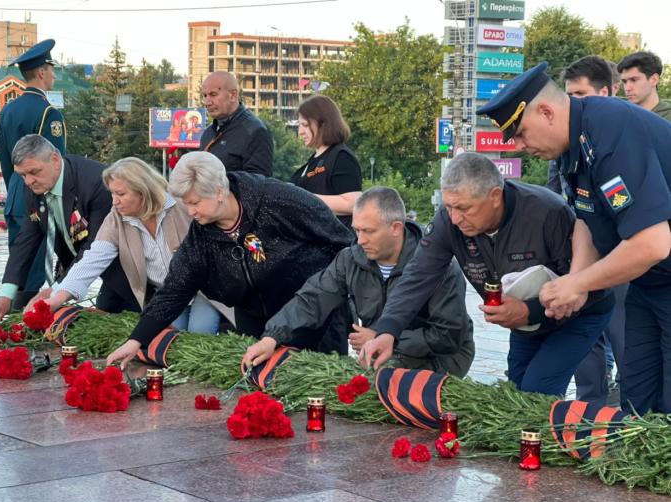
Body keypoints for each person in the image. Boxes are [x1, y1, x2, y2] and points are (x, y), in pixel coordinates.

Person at [476, 62, 671, 414]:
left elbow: (652, 242)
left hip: (660, 268)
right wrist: (574, 282)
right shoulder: (574, 144)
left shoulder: (612, 130)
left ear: (547, 111)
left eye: (520, 133)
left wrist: (579, 281)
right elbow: (587, 220)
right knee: (637, 400)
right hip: (651, 283)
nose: (519, 146)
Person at [360, 153, 614, 397]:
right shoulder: (449, 221)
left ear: (494, 196)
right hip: (523, 319)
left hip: (579, 313)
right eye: (448, 207)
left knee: (538, 390)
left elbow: (584, 285)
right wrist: (387, 331)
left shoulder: (547, 212)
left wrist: (529, 310)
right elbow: (419, 274)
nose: (455, 218)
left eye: (463, 208)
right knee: (516, 391)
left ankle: (580, 433)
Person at [105, 151, 353, 368]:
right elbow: (174, 290)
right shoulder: (200, 237)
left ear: (219, 192)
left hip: (313, 317)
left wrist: (348, 296)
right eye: (185, 203)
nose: (190, 212)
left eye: (195, 203)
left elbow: (340, 241)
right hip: (255, 322)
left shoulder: (277, 199)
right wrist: (135, 341)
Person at [243, 187, 475, 376]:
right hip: (382, 351)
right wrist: (272, 337)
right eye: (357, 230)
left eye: (368, 231)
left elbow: (448, 336)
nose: (360, 240)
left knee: (377, 384)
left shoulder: (439, 266)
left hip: (442, 359)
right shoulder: (350, 258)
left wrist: (384, 338)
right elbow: (312, 298)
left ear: (396, 228)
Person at [40, 157, 224, 334]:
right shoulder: (116, 218)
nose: (114, 201)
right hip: (167, 295)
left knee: (199, 331)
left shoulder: (182, 205)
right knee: (171, 337)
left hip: (204, 290)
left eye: (121, 194)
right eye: (112, 193)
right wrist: (57, 299)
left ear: (143, 191)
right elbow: (92, 260)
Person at [0, 135, 138, 322]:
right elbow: (25, 242)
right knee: (104, 325)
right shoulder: (35, 186)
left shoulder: (97, 183)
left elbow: (95, 245)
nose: (28, 181)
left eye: (34, 172)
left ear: (55, 160)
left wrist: (56, 291)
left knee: (141, 328)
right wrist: (6, 297)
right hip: (88, 270)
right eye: (22, 175)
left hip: (130, 271)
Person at [546, 55, 623, 404]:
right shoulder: (568, 145)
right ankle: (590, 409)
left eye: (579, 94)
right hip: (587, 250)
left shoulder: (621, 138)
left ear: (604, 92)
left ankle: (632, 417)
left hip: (627, 257)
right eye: (569, 95)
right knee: (588, 339)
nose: (572, 103)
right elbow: (571, 205)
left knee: (626, 341)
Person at [0, 39, 66, 309]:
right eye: (51, 68)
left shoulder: (8, 109)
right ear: (41, 72)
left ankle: (12, 314)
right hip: (39, 196)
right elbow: (57, 163)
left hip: (16, 192)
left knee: (19, 258)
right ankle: (22, 320)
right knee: (37, 266)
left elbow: (7, 159)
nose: (54, 74)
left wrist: (17, 185)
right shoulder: (49, 112)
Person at [291, 95, 362, 230]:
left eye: (305, 125)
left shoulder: (341, 157)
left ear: (323, 124)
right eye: (299, 125)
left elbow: (353, 204)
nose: (300, 132)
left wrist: (302, 197)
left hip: (333, 245)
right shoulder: (313, 161)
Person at [198, 72, 273, 176]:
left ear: (233, 95)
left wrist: (226, 185)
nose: (207, 102)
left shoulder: (255, 131)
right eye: (205, 96)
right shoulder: (208, 132)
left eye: (213, 94)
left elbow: (259, 183)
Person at [617, 51, 671, 120]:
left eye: (634, 80)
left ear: (654, 80)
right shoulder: (617, 112)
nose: (627, 88)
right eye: (624, 81)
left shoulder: (668, 118)